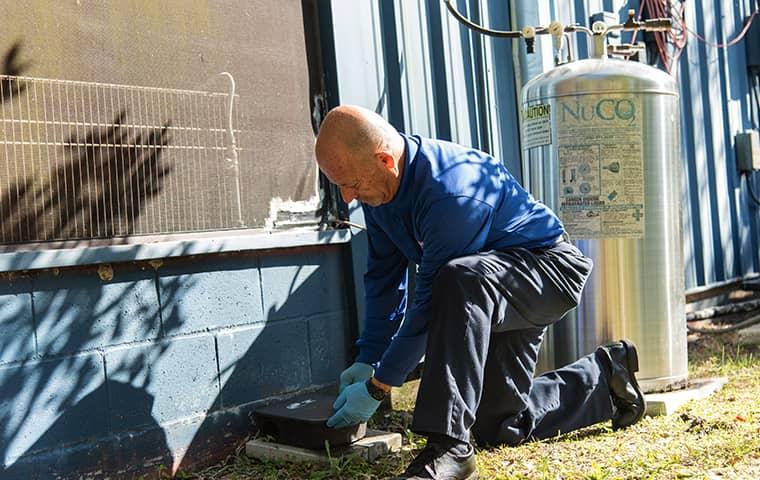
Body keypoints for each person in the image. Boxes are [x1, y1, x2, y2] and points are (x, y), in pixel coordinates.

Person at [314, 105, 646, 480]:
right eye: (338, 185)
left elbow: (430, 303)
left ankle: (449, 447)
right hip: (490, 287)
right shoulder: (381, 196)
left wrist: (379, 386)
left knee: (456, 278)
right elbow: (384, 281)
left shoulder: (451, 189)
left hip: (548, 272)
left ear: (385, 159)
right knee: (500, 426)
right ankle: (606, 378)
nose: (347, 198)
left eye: (352, 184)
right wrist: (369, 356)